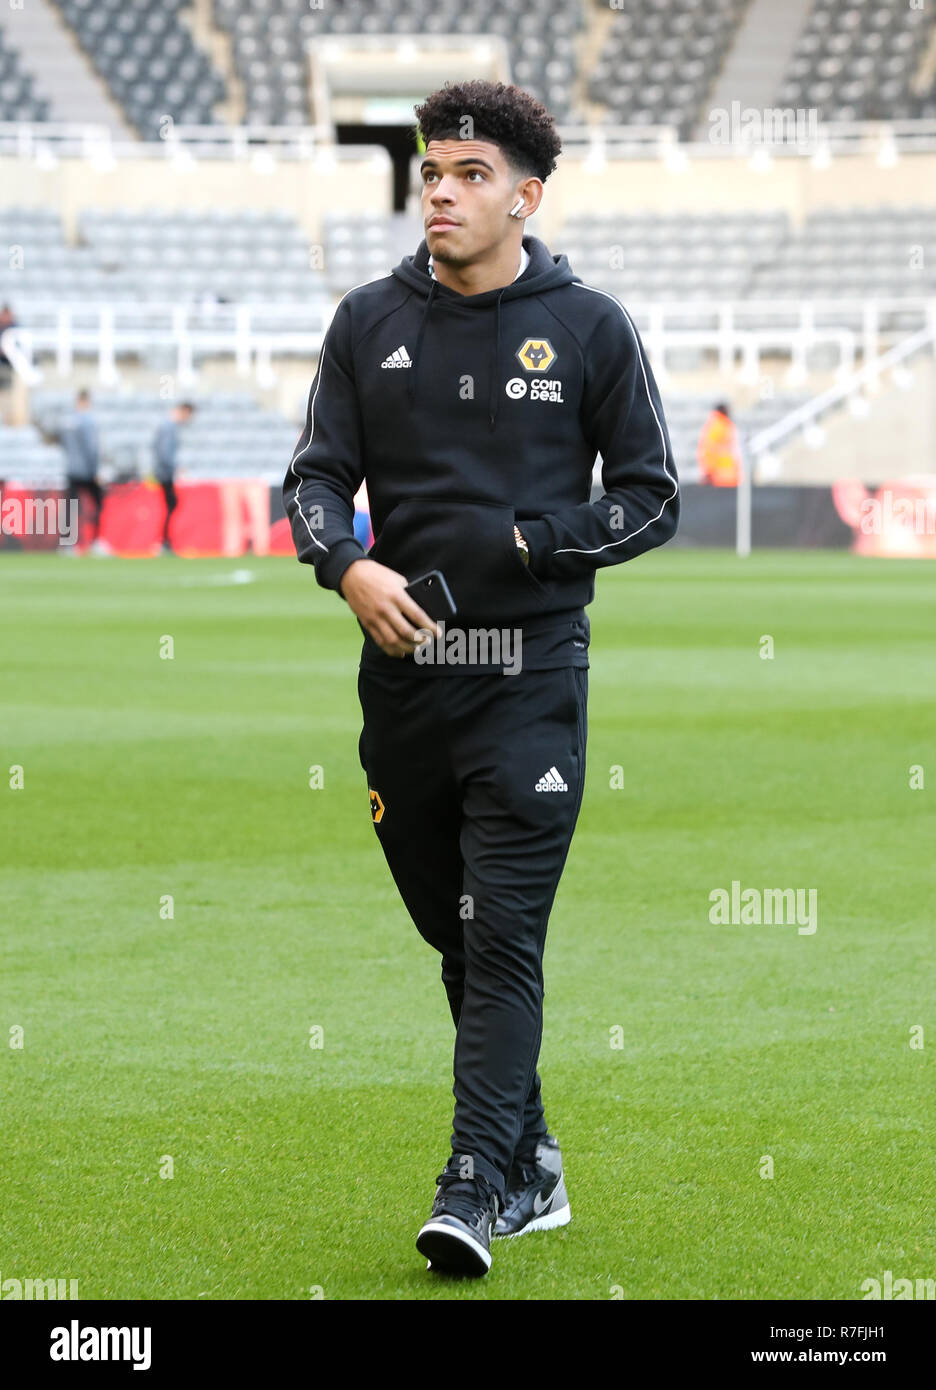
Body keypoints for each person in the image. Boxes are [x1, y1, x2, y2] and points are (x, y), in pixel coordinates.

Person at [283, 79, 679, 1279]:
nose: (442, 194)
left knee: (501, 933)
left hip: (530, 679)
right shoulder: (365, 322)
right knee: (453, 938)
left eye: (468, 176)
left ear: (526, 195)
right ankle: (534, 1157)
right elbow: (310, 481)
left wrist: (531, 543)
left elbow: (652, 498)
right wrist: (345, 566)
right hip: (403, 686)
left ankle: (474, 1186)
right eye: (431, 175)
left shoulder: (593, 328)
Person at [62, 388, 105, 552]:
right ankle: (96, 541)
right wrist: (95, 471)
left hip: (71, 469)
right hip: (87, 470)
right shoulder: (88, 421)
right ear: (87, 401)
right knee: (98, 503)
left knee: (71, 507)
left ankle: (67, 544)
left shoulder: (67, 421)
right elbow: (91, 448)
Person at [152, 402, 194, 553]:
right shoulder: (169, 427)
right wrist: (175, 467)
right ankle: (164, 541)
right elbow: (164, 452)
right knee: (170, 504)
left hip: (163, 471)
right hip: (165, 473)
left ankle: (165, 540)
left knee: (171, 504)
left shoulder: (167, 426)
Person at [697, 400, 741, 486]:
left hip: (725, 475)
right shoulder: (717, 425)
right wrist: (708, 471)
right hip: (720, 476)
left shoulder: (722, 424)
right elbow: (709, 448)